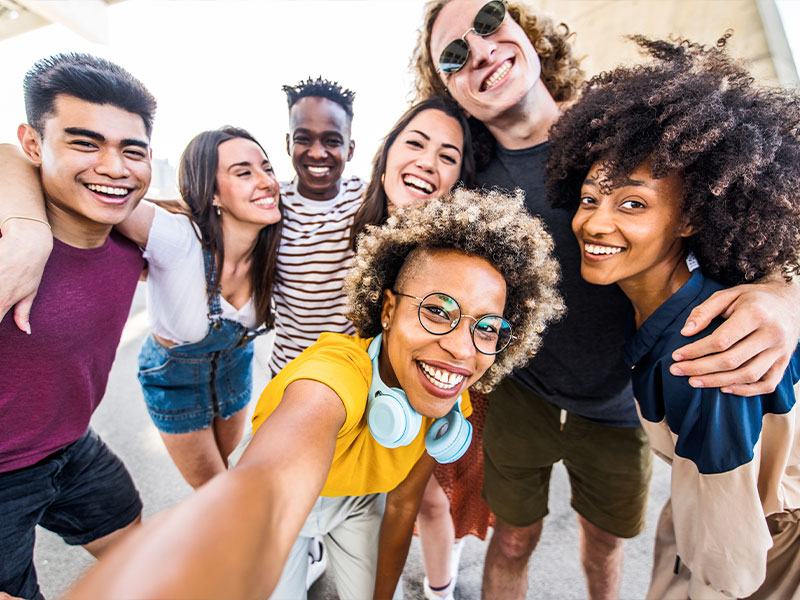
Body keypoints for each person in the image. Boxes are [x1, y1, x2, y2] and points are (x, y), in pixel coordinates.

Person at [410, 1, 800, 598]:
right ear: (449, 91)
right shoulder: (462, 171)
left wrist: (783, 295)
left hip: (624, 406)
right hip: (524, 397)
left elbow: (743, 212)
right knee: (511, 541)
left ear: (523, 27)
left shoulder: (626, 131)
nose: (481, 50)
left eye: (488, 21)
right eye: (455, 55)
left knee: (604, 545)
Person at [63, 188, 565, 600]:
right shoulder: (332, 373)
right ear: (388, 309)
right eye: (437, 310)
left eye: (487, 326)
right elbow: (268, 486)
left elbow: (401, 508)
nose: (460, 348)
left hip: (360, 505)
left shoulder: (449, 396)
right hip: (296, 507)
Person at [547, 35, 800, 599]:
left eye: (633, 203)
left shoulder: (705, 353)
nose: (595, 223)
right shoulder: (672, 303)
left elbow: (732, 567)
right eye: (590, 198)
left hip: (764, 542)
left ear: (689, 218)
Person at [2, 126, 283, 491]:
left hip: (235, 371)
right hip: (176, 380)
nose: (266, 182)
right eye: (244, 172)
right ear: (212, 193)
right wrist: (27, 231)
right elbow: (24, 163)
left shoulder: (279, 241)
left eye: (268, 168)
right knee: (217, 491)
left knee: (224, 475)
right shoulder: (175, 237)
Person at [0, 53, 156, 600]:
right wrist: (23, 231)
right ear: (34, 144)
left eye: (131, 150)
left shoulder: (130, 243)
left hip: (69, 447)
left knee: (138, 551)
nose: (115, 167)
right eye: (85, 143)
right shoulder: (8, 249)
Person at [350, 95, 490, 600]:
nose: (429, 162)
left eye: (448, 156)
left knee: (428, 502)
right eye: (416, 143)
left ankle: (439, 589)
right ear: (386, 153)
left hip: (424, 395)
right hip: (356, 392)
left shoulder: (457, 249)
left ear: (457, 179)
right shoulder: (349, 219)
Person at [269, 75, 366, 374]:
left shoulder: (366, 198)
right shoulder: (270, 202)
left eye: (332, 141)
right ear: (288, 143)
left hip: (346, 371)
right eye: (303, 138)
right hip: (287, 369)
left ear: (350, 149)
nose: (317, 152)